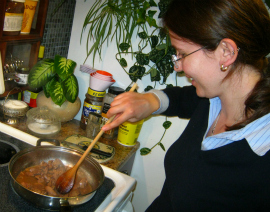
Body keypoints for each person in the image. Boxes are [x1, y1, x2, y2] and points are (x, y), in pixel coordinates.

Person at [102, 0, 270, 210]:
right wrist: (151, 100)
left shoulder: (263, 157)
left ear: (226, 52)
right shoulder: (213, 97)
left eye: (182, 53)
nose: (177, 66)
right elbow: (182, 99)